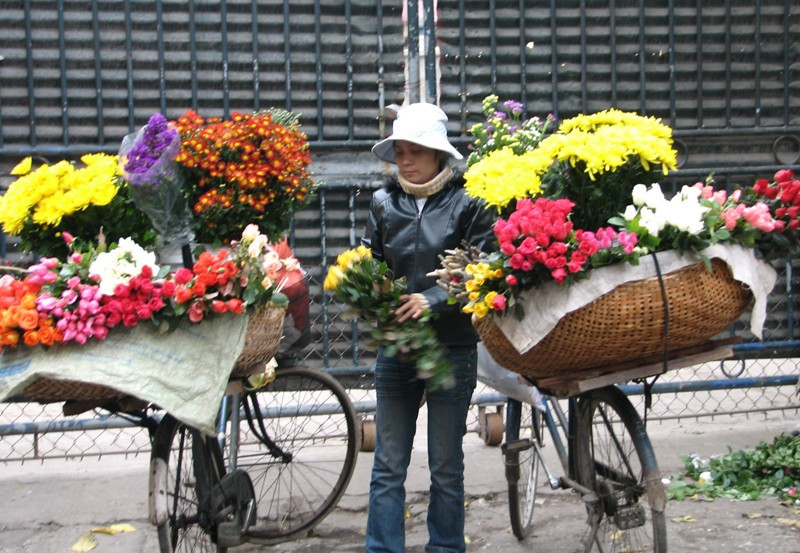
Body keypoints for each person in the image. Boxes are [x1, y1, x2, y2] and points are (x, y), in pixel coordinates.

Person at [362, 102, 495, 553]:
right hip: (397, 350)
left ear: (439, 153)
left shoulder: (470, 203)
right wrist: (371, 293)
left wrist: (432, 300)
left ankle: (446, 547)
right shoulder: (383, 203)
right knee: (388, 465)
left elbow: (482, 270)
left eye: (415, 151)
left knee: (445, 467)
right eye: (399, 151)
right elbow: (370, 260)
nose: (405, 160)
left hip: (452, 349)